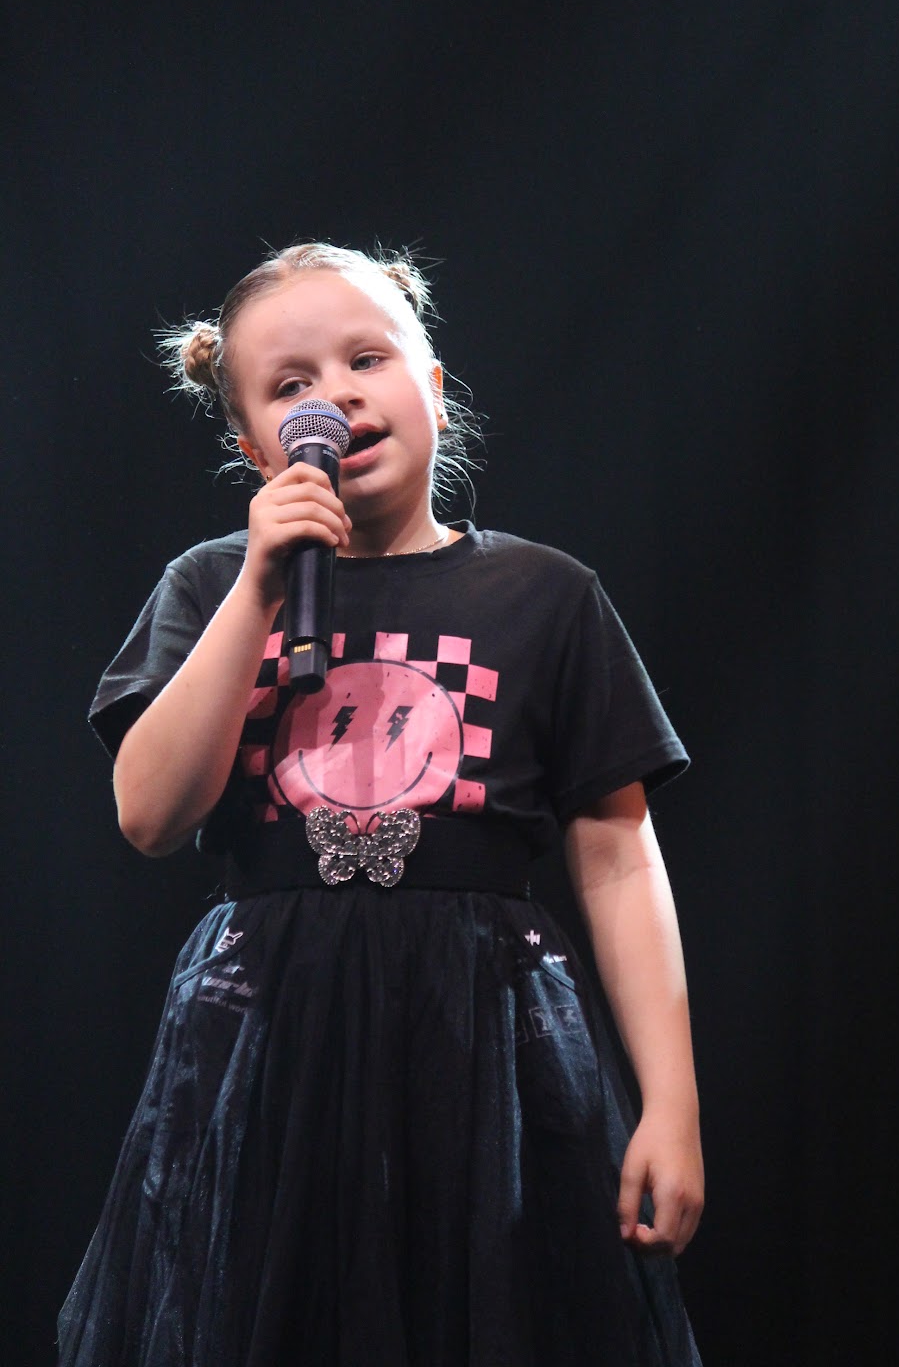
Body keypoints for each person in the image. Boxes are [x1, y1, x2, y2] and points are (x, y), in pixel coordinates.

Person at [58, 242, 704, 1366]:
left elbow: (616, 852)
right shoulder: (212, 585)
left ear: (435, 390)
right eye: (290, 384)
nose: (336, 396)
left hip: (479, 1040)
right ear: (253, 447)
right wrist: (259, 588)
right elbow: (150, 814)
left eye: (367, 359)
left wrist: (671, 1099)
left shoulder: (545, 594)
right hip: (273, 1043)